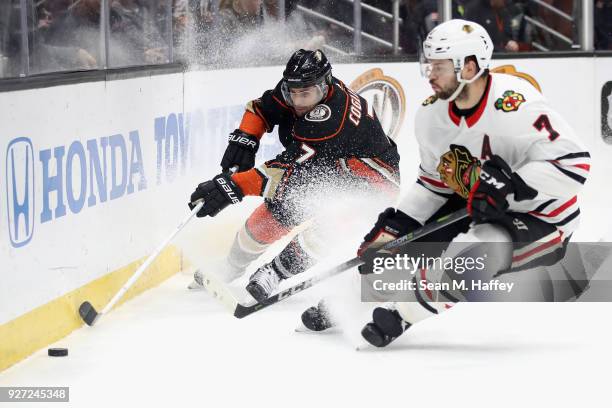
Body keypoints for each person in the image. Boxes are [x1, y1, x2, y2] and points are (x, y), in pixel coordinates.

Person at [304, 19, 590, 347]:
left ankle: (404, 314)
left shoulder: (518, 104)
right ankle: (355, 297)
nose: (431, 75)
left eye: (439, 67)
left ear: (469, 67)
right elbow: (433, 183)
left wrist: (511, 184)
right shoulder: (431, 116)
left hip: (538, 216)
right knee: (396, 249)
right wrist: (400, 224)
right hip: (477, 202)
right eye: (429, 66)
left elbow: (575, 164)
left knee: (471, 255)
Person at [188, 49, 401, 303]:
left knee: (329, 226)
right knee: (271, 216)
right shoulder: (294, 87)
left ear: (325, 87)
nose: (298, 101)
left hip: (373, 182)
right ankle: (231, 266)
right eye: (293, 93)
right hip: (329, 165)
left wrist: (233, 186)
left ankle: (274, 273)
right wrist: (246, 137)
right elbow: (260, 109)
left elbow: (283, 170)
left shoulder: (331, 118)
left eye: (306, 94)